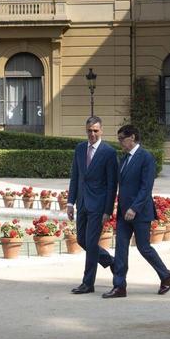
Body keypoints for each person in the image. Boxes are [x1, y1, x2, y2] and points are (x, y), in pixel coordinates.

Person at [107, 124, 170, 297]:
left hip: (140, 212)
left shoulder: (146, 157)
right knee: (121, 248)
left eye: (122, 138)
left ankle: (165, 275)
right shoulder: (124, 158)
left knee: (144, 248)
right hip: (123, 212)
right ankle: (119, 286)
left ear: (133, 137)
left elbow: (146, 187)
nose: (120, 142)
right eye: (119, 139)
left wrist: (134, 208)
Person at [66, 116, 118, 295]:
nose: (92, 134)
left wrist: (107, 210)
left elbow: (112, 184)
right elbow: (76, 177)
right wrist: (70, 203)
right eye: (89, 130)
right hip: (81, 203)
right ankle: (110, 261)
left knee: (90, 242)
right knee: (81, 240)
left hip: (98, 205)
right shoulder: (80, 149)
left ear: (101, 131)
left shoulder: (109, 152)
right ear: (86, 130)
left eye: (96, 130)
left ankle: (88, 283)